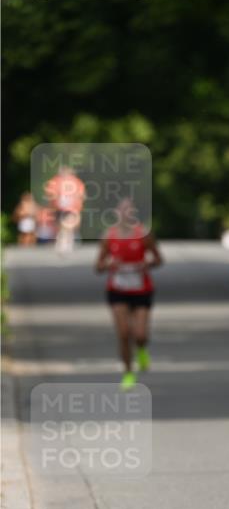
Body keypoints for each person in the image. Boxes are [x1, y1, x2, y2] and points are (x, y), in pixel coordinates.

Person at [94, 198, 163, 389]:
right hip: (118, 290)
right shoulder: (109, 236)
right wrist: (109, 265)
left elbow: (158, 259)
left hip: (141, 289)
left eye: (130, 211)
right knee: (124, 333)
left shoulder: (144, 234)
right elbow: (98, 266)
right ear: (116, 214)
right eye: (122, 210)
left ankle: (141, 349)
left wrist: (146, 264)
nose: (126, 214)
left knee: (140, 334)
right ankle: (128, 373)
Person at [44, 165, 86, 254]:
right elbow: (50, 193)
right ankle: (64, 243)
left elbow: (81, 194)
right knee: (62, 226)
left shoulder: (74, 181)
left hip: (70, 207)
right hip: (61, 207)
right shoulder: (57, 180)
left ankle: (65, 243)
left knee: (66, 226)